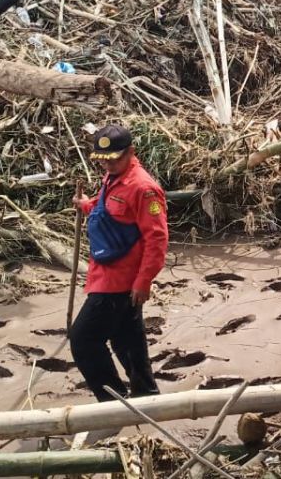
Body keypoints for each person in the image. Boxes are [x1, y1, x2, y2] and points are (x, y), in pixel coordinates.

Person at [70, 125, 168, 402]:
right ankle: (146, 393)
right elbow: (109, 212)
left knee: (83, 340)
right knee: (127, 340)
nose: (108, 164)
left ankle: (111, 399)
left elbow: (157, 239)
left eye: (114, 158)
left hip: (120, 282)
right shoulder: (113, 178)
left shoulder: (144, 188)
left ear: (131, 153)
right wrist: (86, 205)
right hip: (105, 271)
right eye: (103, 160)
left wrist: (143, 281)